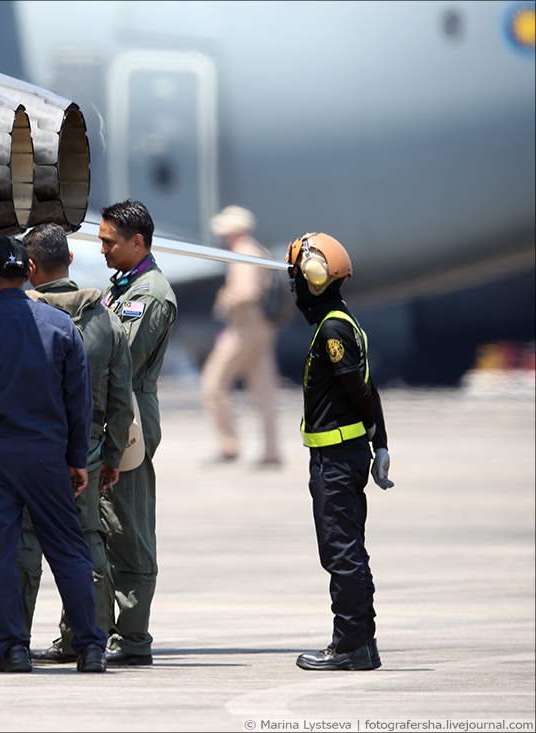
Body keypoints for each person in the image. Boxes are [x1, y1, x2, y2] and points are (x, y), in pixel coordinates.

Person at [0, 236, 108, 674]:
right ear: (29, 271)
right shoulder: (64, 326)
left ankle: (11, 648)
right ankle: (89, 648)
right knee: (68, 549)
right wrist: (74, 458)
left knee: (1, 553)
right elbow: (78, 401)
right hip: (48, 456)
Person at [14, 223, 134, 664]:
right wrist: (112, 457)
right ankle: (87, 641)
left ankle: (14, 643)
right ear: (68, 260)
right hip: (87, 446)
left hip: (30, 444)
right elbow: (122, 399)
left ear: (30, 267)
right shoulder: (105, 318)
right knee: (87, 543)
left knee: (25, 541)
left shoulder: (21, 315)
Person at [285, 232, 393, 671]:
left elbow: (359, 389)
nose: (294, 286)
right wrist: (380, 442)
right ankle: (359, 642)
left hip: (337, 461)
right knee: (347, 550)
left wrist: (376, 438)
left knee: (341, 551)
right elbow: (366, 387)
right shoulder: (343, 321)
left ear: (311, 280)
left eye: (297, 276)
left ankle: (351, 644)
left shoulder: (333, 328)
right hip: (342, 456)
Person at [97, 199, 177, 666]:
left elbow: (119, 360)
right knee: (96, 528)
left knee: (127, 528)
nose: (103, 248)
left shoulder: (150, 295)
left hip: (127, 423)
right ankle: (89, 630)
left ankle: (132, 637)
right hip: (106, 415)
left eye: (110, 241)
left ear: (137, 242)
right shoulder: (122, 286)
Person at [200, 205, 282, 467]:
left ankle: (229, 446)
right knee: (264, 391)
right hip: (260, 326)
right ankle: (271, 452)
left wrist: (226, 299)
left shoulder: (243, 252)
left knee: (213, 382)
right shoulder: (257, 250)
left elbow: (246, 292)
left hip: (245, 326)